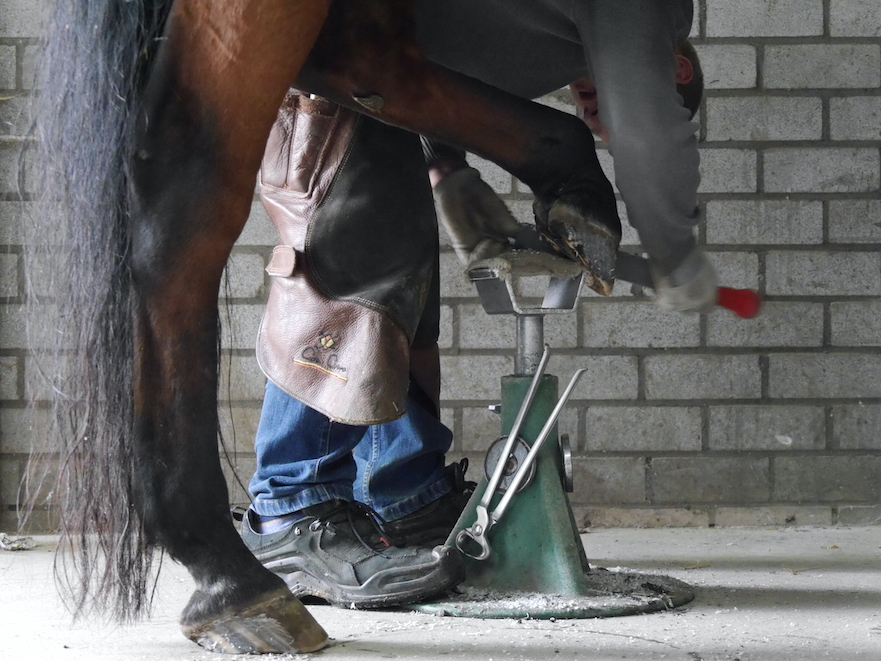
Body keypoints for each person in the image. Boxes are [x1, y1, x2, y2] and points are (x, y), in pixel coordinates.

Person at [242, 0, 712, 610]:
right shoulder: (650, 12)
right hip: (337, 65)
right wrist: (676, 252)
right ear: (667, 69)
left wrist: (449, 175)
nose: (595, 111)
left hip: (382, 84)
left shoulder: (536, 38)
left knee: (399, 292)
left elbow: (434, 65)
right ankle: (291, 505)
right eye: (599, 112)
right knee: (351, 264)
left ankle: (405, 494)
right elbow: (650, 135)